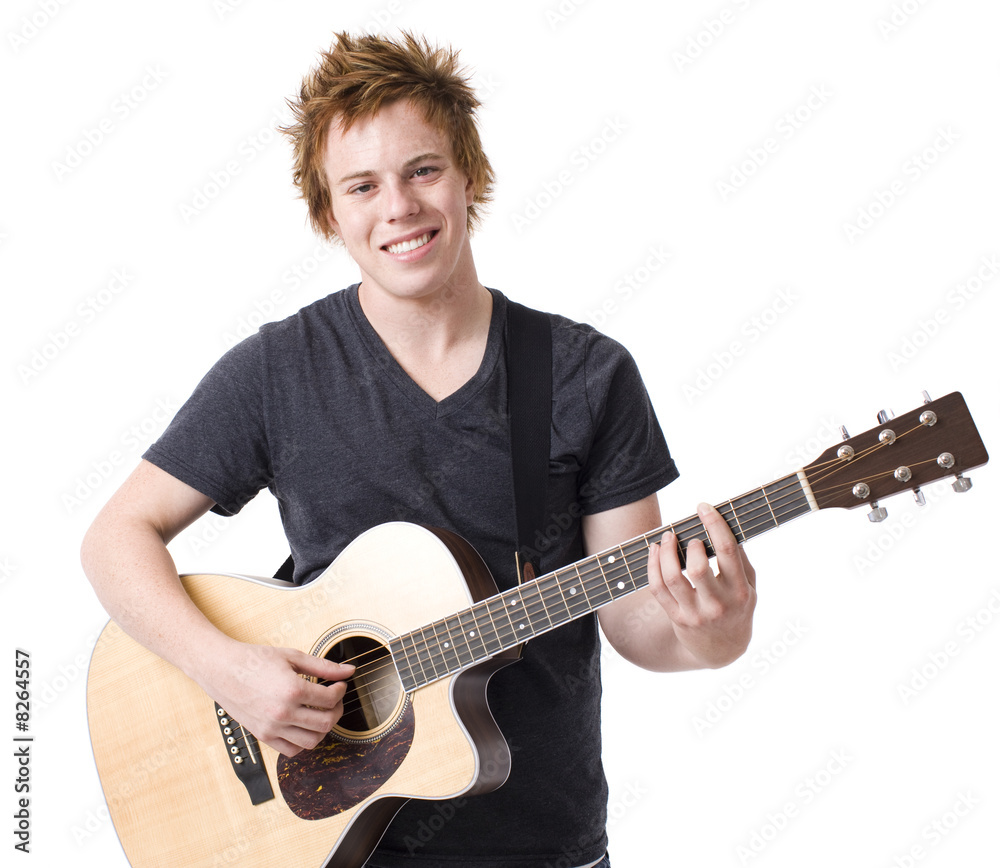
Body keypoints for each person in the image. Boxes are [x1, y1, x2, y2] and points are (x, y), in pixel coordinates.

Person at [81, 31, 757, 868]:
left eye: (423, 170)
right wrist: (227, 670)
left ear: (469, 176)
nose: (397, 206)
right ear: (331, 214)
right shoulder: (277, 372)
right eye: (362, 185)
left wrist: (715, 636)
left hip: (543, 846)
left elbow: (633, 617)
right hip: (332, 849)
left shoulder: (586, 374)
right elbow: (116, 539)